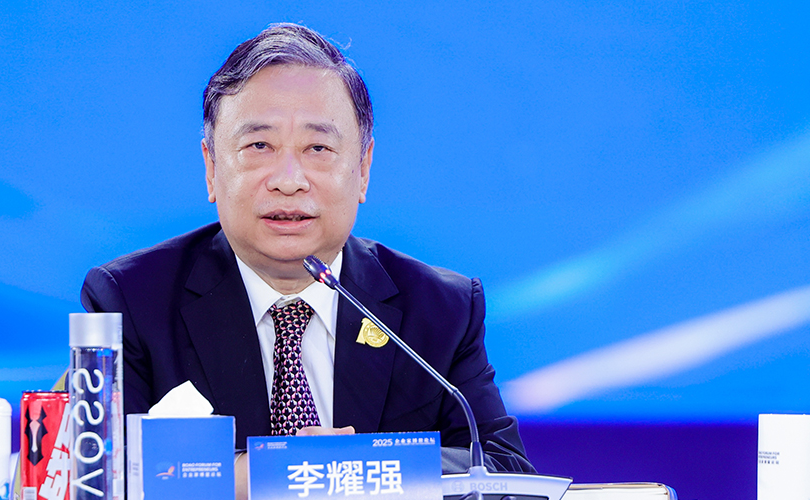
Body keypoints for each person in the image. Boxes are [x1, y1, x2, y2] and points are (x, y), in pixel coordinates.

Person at [80, 23, 536, 492]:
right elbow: (100, 478)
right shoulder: (131, 302)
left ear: (363, 169)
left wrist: (353, 469)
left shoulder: (441, 309)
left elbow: (505, 473)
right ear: (211, 167)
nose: (289, 180)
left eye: (318, 148)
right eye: (259, 146)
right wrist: (284, 472)